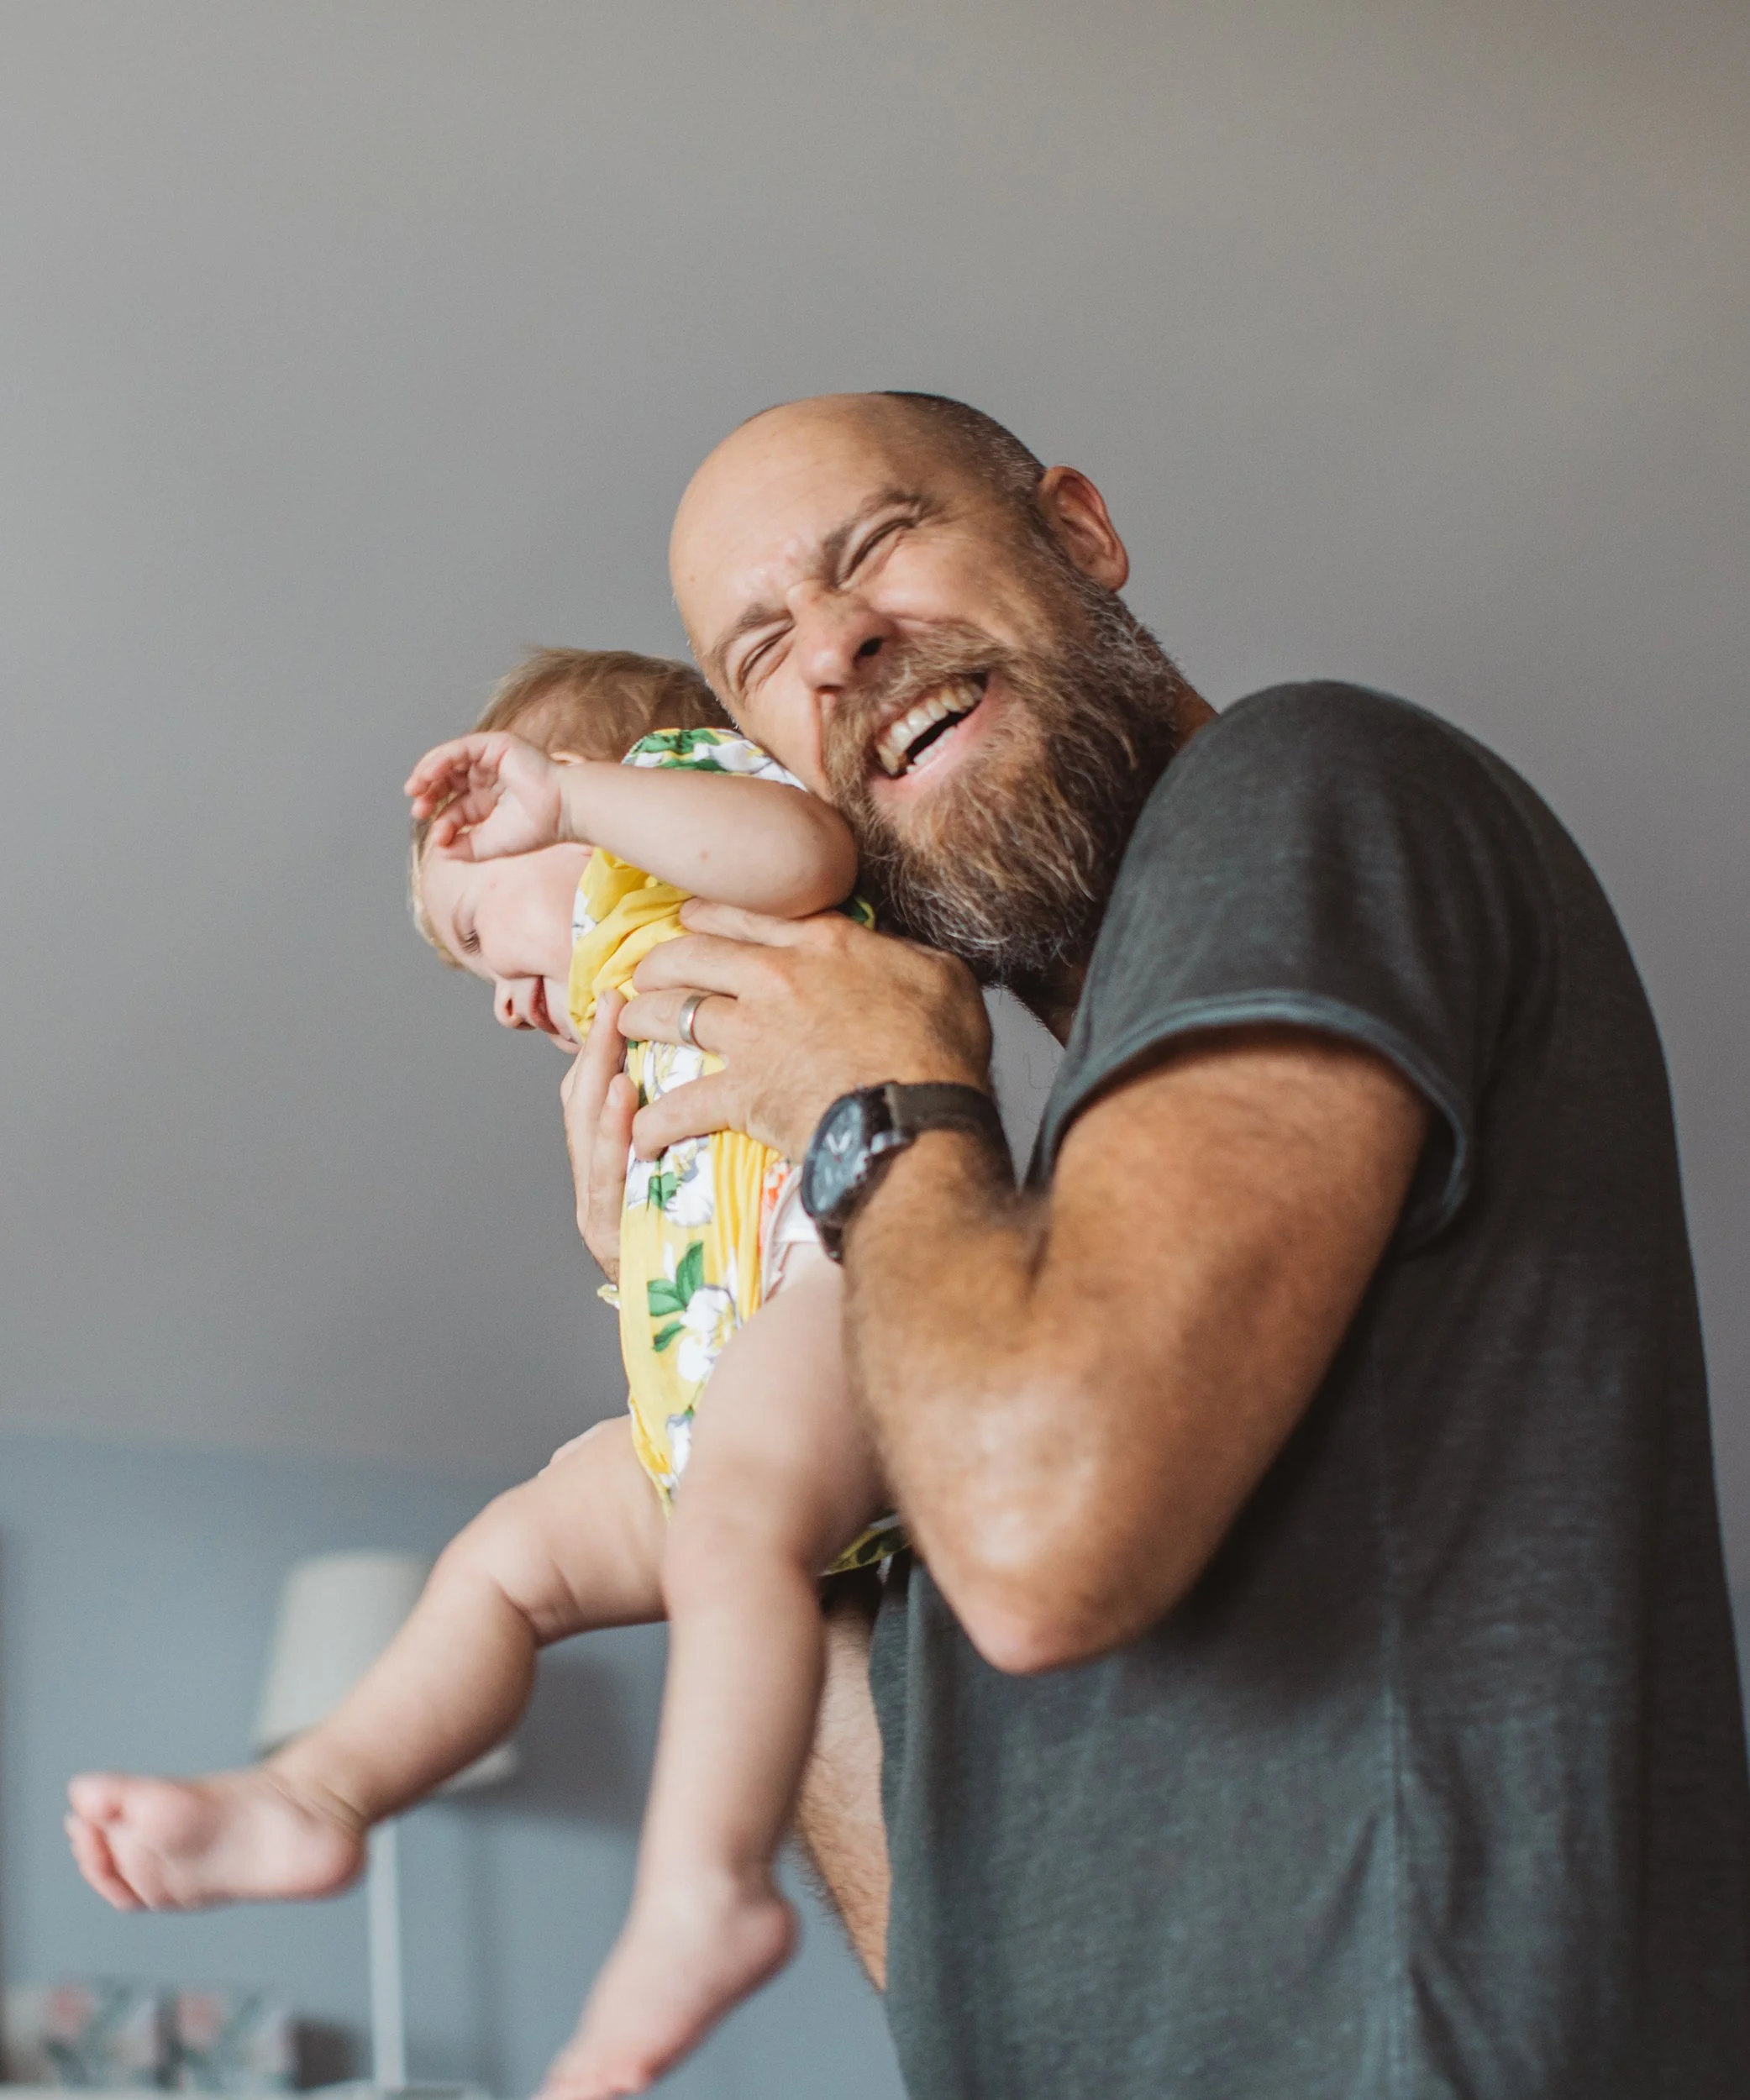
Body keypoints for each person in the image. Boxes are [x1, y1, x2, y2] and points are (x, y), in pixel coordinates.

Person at [559, 391, 1750, 2097]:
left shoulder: (1300, 782)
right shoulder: (964, 1261)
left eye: (878, 546)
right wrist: (712, 1379)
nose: (835, 644)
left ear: (1079, 532)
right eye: (761, 651)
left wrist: (873, 1102)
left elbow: (1041, 1541)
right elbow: (952, 1957)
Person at [65, 648, 912, 2100]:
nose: (504, 1005)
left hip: (849, 1308)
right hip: (713, 1387)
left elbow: (806, 850)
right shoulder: (639, 1015)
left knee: (733, 1525)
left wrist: (570, 794)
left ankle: (706, 1888)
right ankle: (317, 1794)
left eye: (478, 928)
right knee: (503, 1561)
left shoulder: (713, 863)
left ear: (593, 801)